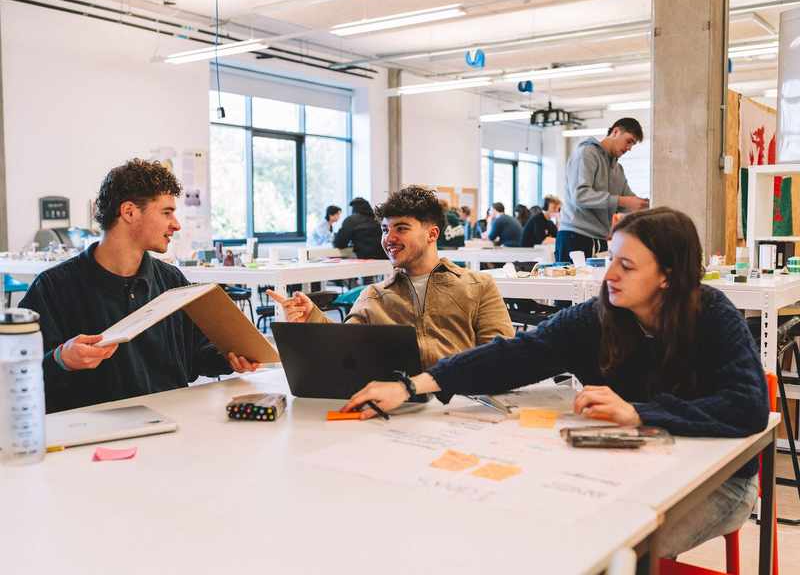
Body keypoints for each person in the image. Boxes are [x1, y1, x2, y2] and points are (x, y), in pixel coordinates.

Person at [345, 207, 768, 559]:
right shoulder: (600, 316)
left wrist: (639, 411)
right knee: (535, 530)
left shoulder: (711, 314)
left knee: (613, 548)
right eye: (610, 260)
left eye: (627, 265)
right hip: (627, 464)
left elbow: (748, 407)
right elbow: (515, 355)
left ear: (668, 277)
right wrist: (413, 385)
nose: (610, 276)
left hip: (718, 480)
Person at [20, 159, 258, 413]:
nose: (176, 224)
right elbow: (19, 376)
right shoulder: (53, 288)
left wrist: (234, 357)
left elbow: (196, 356)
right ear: (129, 212)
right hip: (96, 436)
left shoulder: (171, 281)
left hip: (173, 424)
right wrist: (61, 359)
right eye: (166, 212)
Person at [268, 186, 514, 370]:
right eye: (385, 229)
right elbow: (342, 351)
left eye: (401, 228)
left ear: (432, 234)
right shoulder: (374, 296)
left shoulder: (478, 286)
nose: (389, 238)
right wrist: (312, 316)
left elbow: (501, 360)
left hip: (460, 405)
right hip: (394, 406)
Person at [557, 118, 649, 263]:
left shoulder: (617, 169)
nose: (629, 148)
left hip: (600, 240)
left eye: (633, 144)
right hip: (575, 237)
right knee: (574, 284)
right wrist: (621, 200)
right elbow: (580, 196)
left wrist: (648, 205)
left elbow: (628, 201)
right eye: (629, 141)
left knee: (599, 285)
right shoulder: (586, 153)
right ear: (616, 131)